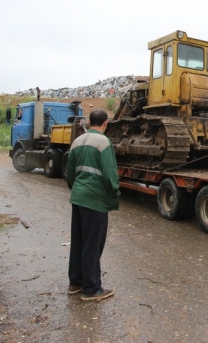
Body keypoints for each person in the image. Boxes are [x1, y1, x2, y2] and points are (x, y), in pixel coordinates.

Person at [66, 109, 120, 302]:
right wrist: (114, 193)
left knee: (79, 241)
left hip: (79, 197)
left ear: (89, 122)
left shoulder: (77, 141)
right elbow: (109, 174)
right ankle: (91, 288)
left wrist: (77, 190)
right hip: (95, 200)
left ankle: (76, 282)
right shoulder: (103, 142)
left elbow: (70, 174)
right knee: (92, 244)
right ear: (105, 123)